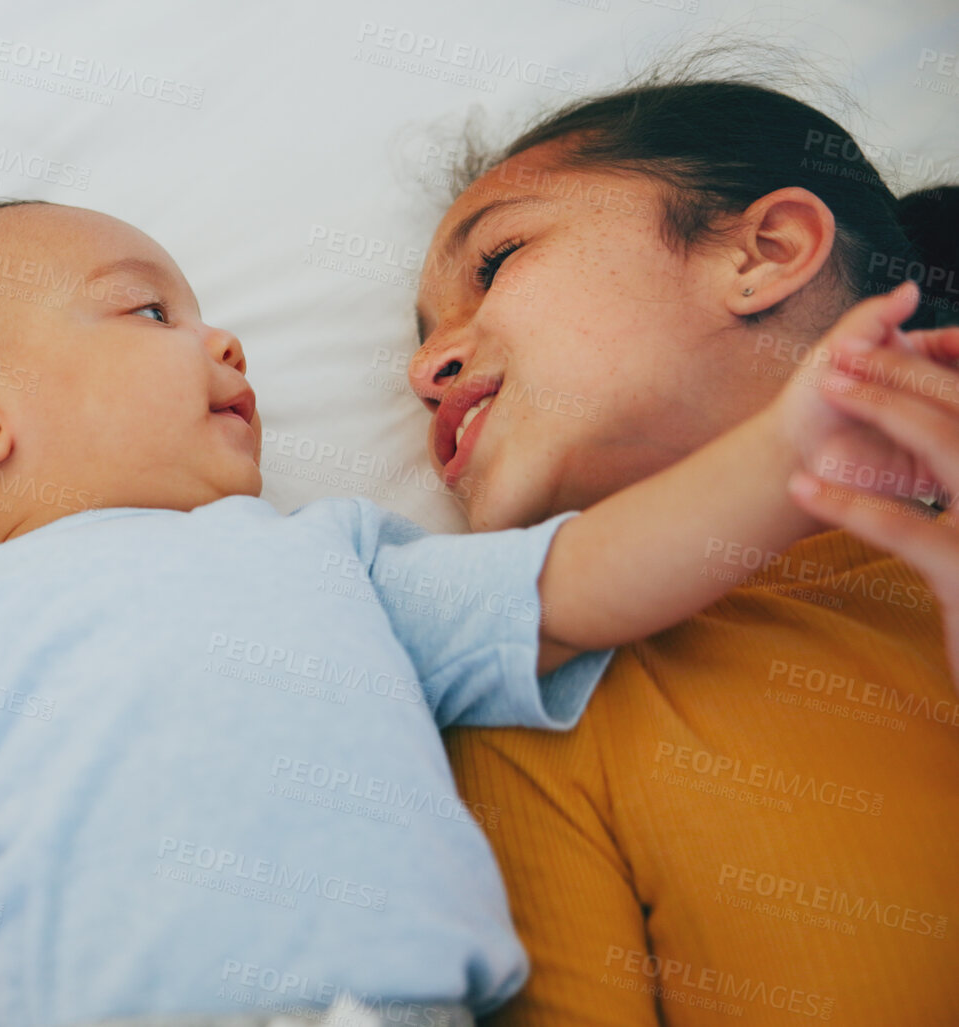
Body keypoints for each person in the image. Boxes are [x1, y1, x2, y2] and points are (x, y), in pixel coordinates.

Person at [0, 201, 941, 1027]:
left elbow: (580, 579)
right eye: (147, 309)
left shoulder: (326, 556)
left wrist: (784, 455)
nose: (221, 335)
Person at [404, 78, 959, 1025]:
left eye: (495, 262)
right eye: (418, 345)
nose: (425, 371)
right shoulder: (529, 723)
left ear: (765, 251)